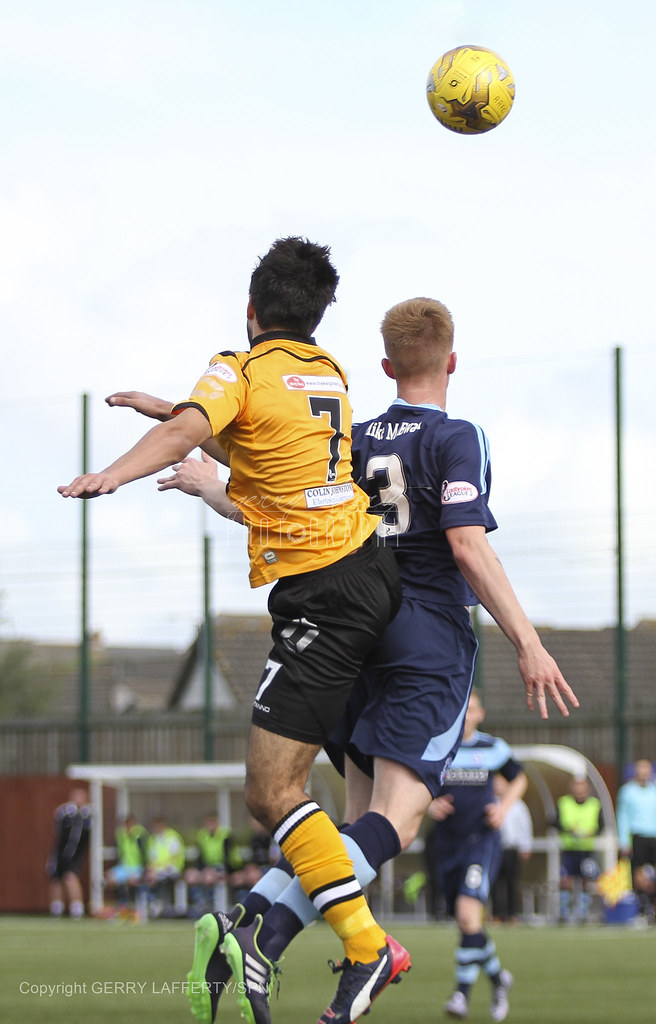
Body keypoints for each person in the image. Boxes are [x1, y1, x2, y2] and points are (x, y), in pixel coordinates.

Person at [133, 296, 578, 1024]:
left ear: (384, 366)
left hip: (352, 628)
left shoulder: (355, 435)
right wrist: (529, 642)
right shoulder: (458, 436)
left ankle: (258, 927)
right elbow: (466, 543)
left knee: (349, 830)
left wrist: (204, 470)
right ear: (452, 361)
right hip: (425, 637)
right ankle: (258, 930)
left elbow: (282, 500)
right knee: (395, 828)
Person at [59, 237, 406, 1024]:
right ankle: (276, 930)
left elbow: (199, 432)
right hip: (367, 575)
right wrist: (177, 418)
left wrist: (118, 469)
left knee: (271, 790)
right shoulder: (329, 374)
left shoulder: (238, 367)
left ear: (250, 311)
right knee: (317, 793)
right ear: (317, 311)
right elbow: (259, 447)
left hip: (325, 596)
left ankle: (359, 943)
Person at [426, 690, 526, 1022]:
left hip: (481, 842)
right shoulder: (436, 747)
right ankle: (498, 979)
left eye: (471, 710)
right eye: (460, 710)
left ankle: (461, 996)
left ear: (480, 715)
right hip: (446, 844)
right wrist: (428, 804)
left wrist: (504, 807)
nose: (465, 715)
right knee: (467, 924)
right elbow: (414, 784)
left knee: (469, 916)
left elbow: (519, 778)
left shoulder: (493, 748)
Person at [552, 777, 604, 924]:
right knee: (566, 880)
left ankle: (583, 912)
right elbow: (554, 822)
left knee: (585, 880)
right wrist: (569, 830)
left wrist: (590, 833)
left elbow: (601, 826)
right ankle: (564, 911)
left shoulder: (595, 804)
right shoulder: (564, 803)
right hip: (568, 848)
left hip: (586, 849)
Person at [616, 758, 656, 923]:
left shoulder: (654, 790)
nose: (644, 772)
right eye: (640, 768)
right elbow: (622, 816)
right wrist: (624, 840)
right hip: (638, 836)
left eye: (646, 768)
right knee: (639, 873)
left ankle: (652, 909)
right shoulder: (627, 791)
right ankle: (642, 909)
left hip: (654, 835)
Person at [491, 775, 533, 923]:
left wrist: (525, 846)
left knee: (512, 882)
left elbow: (525, 827)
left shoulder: (518, 805)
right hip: (495, 849)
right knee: (495, 882)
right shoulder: (491, 803)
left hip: (511, 848)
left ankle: (512, 914)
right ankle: (496, 914)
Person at [46, 785, 92, 919]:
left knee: (71, 877)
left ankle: (77, 909)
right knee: (56, 878)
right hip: (61, 851)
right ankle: (56, 908)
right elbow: (57, 830)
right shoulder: (64, 812)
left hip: (76, 852)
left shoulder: (87, 814)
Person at [185, 813, 244, 915]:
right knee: (191, 876)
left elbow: (229, 858)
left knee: (209, 878)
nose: (210, 825)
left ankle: (213, 907)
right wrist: (201, 870)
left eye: (212, 822)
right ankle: (199, 904)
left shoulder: (226, 835)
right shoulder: (202, 836)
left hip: (223, 868)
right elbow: (200, 858)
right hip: (208, 868)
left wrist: (222, 871)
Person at [142, 816, 186, 916]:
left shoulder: (173, 837)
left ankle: (157, 903)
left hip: (173, 868)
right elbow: (151, 858)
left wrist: (157, 868)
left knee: (158, 877)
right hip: (158, 870)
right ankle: (152, 904)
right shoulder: (153, 839)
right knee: (148, 876)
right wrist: (150, 868)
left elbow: (174, 857)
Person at [104, 813, 148, 907]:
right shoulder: (121, 835)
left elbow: (145, 853)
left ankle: (133, 903)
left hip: (137, 867)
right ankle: (121, 902)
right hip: (125, 867)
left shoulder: (140, 836)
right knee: (109, 878)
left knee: (131, 880)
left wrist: (145, 869)